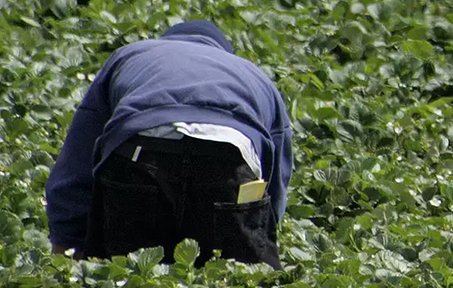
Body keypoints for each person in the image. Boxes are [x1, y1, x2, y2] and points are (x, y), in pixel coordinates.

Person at [45, 20, 293, 267]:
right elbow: (275, 184)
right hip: (229, 161)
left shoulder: (132, 54)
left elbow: (77, 163)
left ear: (166, 41)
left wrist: (67, 246)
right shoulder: (256, 75)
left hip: (139, 157)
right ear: (223, 51)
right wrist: (258, 229)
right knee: (234, 281)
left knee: (125, 277)